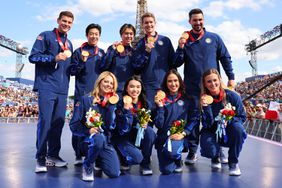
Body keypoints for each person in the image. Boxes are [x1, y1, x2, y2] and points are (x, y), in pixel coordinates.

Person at [174, 8, 235, 164]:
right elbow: (177, 62)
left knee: (216, 118)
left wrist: (231, 77)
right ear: (190, 21)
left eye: (200, 19)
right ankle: (192, 151)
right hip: (192, 88)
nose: (198, 22)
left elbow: (225, 57)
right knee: (193, 120)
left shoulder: (214, 38)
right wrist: (180, 47)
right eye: (194, 20)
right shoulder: (185, 40)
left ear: (204, 20)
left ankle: (219, 150)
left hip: (212, 89)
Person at [29, 10, 74, 173]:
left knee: (58, 124)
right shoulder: (45, 36)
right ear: (58, 20)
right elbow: (33, 57)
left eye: (69, 22)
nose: (66, 24)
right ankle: (40, 158)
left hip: (63, 89)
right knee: (45, 122)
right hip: (47, 86)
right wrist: (53, 58)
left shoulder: (69, 44)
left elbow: (68, 68)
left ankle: (53, 156)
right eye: (64, 21)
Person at [69, 71, 120, 181]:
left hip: (104, 141)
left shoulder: (112, 102)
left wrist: (111, 107)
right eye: (106, 81)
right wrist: (88, 131)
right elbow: (73, 125)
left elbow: (110, 126)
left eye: (111, 83)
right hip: (87, 140)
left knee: (114, 172)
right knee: (98, 138)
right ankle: (87, 164)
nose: (109, 85)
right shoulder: (86, 99)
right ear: (99, 82)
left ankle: (98, 158)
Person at [199, 69, 247, 176]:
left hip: (228, 129)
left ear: (220, 80)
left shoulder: (233, 96)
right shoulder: (203, 100)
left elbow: (242, 117)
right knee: (209, 150)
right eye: (209, 81)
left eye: (215, 80)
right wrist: (206, 108)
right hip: (211, 130)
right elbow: (207, 125)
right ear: (205, 84)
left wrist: (227, 120)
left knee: (239, 129)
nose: (213, 84)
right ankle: (216, 155)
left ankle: (233, 162)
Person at [70, 23, 105, 165]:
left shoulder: (102, 53)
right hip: (81, 94)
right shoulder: (79, 52)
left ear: (99, 36)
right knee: (79, 124)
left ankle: (94, 152)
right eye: (91, 33)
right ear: (87, 35)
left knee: (96, 124)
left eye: (96, 34)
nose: (94, 36)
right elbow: (72, 72)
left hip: (97, 96)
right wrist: (81, 63)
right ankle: (78, 154)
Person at [154, 69, 199, 174]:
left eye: (175, 80)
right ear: (165, 83)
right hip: (164, 137)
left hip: (179, 136)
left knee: (173, 152)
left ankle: (177, 157)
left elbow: (194, 119)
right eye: (169, 81)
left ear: (180, 81)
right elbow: (159, 125)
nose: (173, 84)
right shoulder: (160, 100)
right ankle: (173, 158)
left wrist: (184, 133)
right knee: (166, 170)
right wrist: (160, 107)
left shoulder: (188, 99)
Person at [113, 75, 156, 175]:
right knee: (135, 158)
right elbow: (122, 129)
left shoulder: (146, 104)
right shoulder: (119, 104)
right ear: (126, 88)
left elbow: (150, 123)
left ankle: (145, 163)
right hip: (124, 137)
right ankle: (123, 157)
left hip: (138, 136)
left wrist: (146, 124)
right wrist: (126, 109)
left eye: (138, 87)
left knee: (150, 132)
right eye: (132, 86)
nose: (135, 90)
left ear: (141, 88)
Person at [132, 12, 175, 108]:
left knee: (166, 115)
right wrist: (146, 52)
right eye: (146, 23)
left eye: (151, 22)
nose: (149, 25)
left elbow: (173, 63)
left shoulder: (165, 40)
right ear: (142, 25)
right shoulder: (139, 44)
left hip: (165, 84)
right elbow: (136, 67)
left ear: (155, 23)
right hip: (148, 86)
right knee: (149, 114)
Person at [100, 24, 136, 97]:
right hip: (114, 89)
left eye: (131, 34)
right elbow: (104, 66)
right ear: (121, 35)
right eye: (126, 33)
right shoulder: (113, 48)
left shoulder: (134, 51)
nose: (129, 36)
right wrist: (112, 50)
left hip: (129, 90)